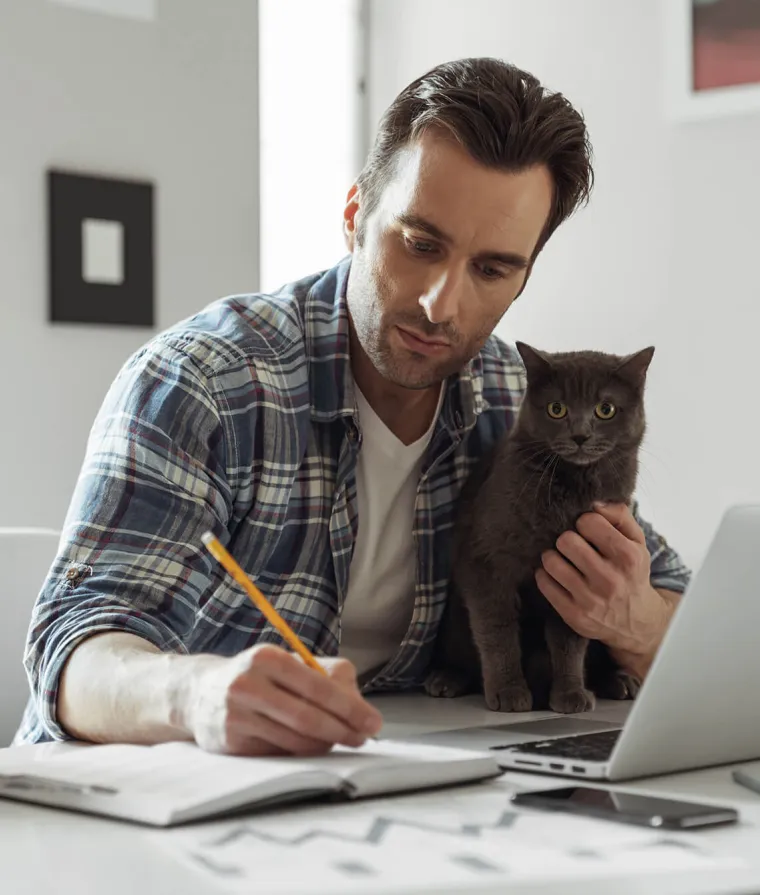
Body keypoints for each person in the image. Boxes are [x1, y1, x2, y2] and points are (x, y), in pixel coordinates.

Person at [15, 57, 690, 756]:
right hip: (140, 801)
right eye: (420, 244)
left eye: (491, 269)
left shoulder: (513, 399)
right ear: (354, 217)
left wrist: (636, 622)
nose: (440, 303)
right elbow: (72, 648)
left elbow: (688, 610)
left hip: (377, 790)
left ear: (522, 277)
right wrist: (196, 694)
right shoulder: (204, 384)